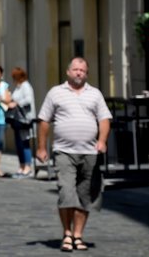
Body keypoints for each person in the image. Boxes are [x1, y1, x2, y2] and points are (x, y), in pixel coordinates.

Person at [36, 57, 112, 253]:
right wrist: (41, 147)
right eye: (76, 69)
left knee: (85, 196)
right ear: (68, 72)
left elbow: (104, 119)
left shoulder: (95, 94)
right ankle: (67, 233)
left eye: (82, 70)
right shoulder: (56, 93)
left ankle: (77, 235)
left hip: (90, 152)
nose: (79, 73)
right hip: (64, 151)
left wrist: (102, 141)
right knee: (66, 192)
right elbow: (44, 120)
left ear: (86, 74)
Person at [9, 67, 36, 178]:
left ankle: (27, 167)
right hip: (17, 119)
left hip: (25, 119)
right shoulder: (18, 87)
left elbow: (28, 100)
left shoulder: (26, 86)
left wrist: (16, 103)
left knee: (24, 143)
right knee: (19, 143)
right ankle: (22, 166)